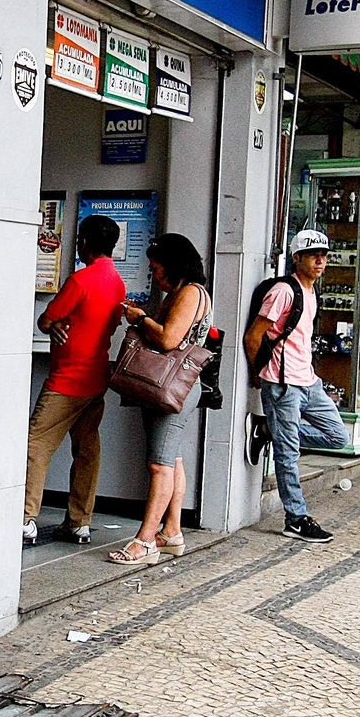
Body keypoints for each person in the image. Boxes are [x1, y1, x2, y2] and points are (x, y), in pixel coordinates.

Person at [107, 233, 211, 567]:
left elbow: (169, 339)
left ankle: (145, 541)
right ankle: (172, 531)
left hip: (174, 387)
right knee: (173, 459)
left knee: (159, 464)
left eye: (156, 268)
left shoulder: (191, 293)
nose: (154, 275)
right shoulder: (184, 292)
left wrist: (140, 319)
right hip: (172, 387)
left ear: (173, 264)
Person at [23, 215, 127, 547]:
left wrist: (53, 324)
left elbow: (46, 319)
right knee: (87, 450)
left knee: (35, 445)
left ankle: (25, 517)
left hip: (67, 380)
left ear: (84, 242)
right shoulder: (117, 282)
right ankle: (79, 521)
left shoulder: (80, 281)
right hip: (97, 377)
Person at [245, 229, 344, 543]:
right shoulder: (284, 291)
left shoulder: (312, 291)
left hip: (309, 381)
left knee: (338, 436)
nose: (320, 260)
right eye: (313, 255)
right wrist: (258, 373)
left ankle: (270, 430)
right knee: (287, 455)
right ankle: (296, 519)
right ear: (296, 257)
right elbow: (253, 336)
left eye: (324, 255)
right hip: (283, 384)